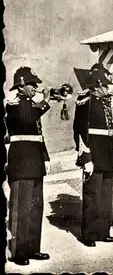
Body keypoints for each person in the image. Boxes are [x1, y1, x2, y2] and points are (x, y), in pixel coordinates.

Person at [5, 66, 52, 266]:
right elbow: (28, 119)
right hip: (21, 162)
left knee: (35, 208)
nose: (36, 88)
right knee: (21, 210)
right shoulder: (15, 105)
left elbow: (38, 136)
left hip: (34, 161)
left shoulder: (31, 104)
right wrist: (45, 101)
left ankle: (33, 248)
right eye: (33, 84)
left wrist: (45, 158)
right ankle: (18, 251)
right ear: (22, 85)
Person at [73, 64, 113, 247]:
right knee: (93, 194)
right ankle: (90, 233)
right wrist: (86, 158)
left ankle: (103, 230)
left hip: (107, 152)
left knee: (106, 193)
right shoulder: (86, 102)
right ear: (96, 86)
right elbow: (79, 130)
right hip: (94, 152)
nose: (107, 89)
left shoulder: (104, 101)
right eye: (104, 86)